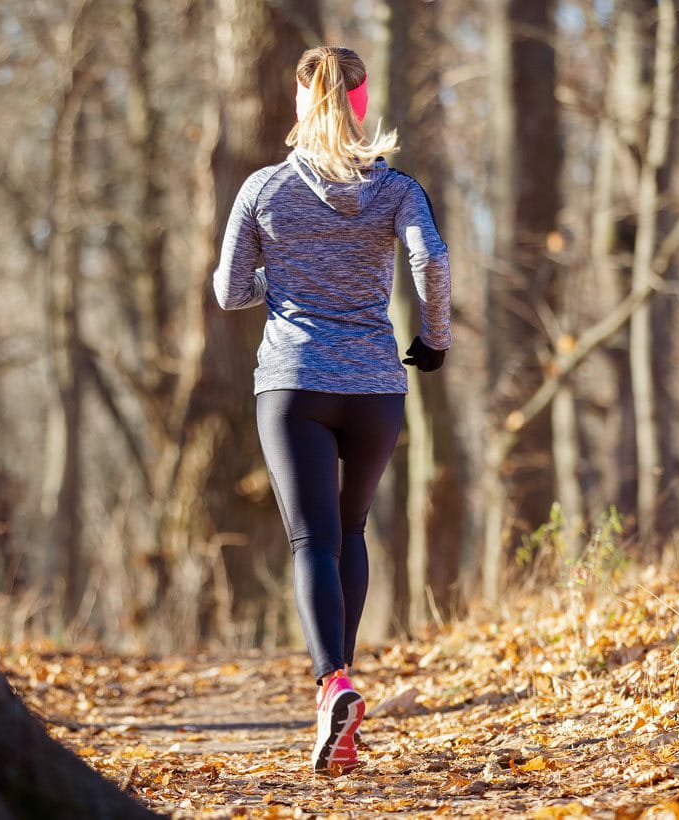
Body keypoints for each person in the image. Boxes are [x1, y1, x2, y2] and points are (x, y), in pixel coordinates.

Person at [212, 44, 452, 776]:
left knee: (311, 539)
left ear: (298, 102)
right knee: (351, 529)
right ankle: (341, 700)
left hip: (292, 384)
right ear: (360, 101)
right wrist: (433, 340)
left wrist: (277, 277)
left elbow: (227, 291)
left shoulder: (262, 188)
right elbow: (431, 263)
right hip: (375, 385)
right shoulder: (398, 190)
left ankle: (335, 685)